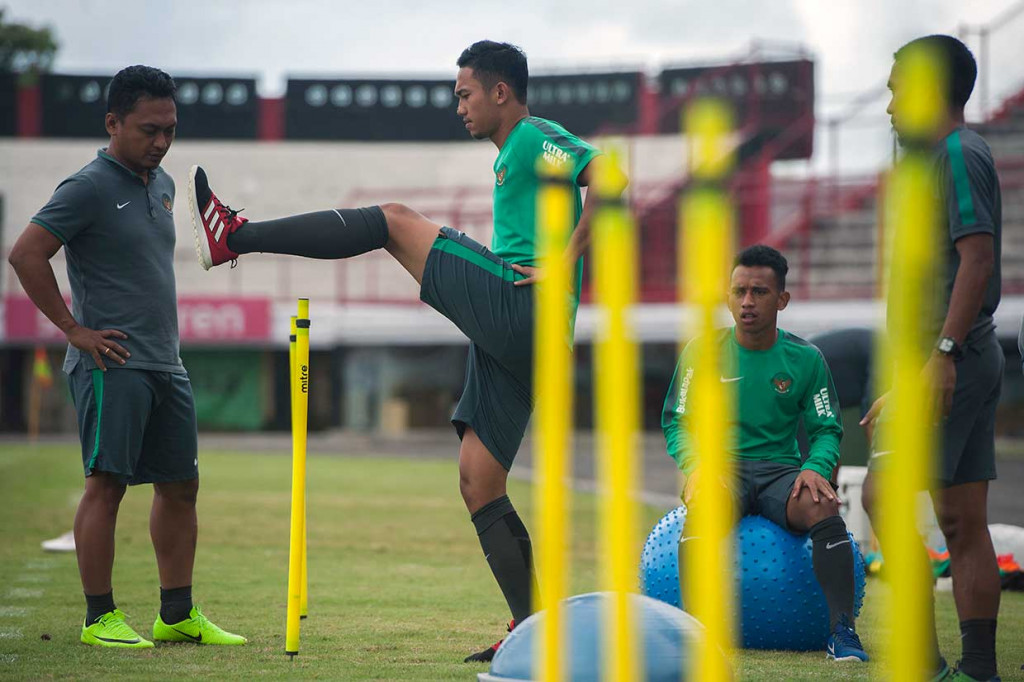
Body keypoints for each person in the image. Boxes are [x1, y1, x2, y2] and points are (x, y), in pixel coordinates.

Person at [187, 41, 625, 662]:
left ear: (501, 93)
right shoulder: (514, 156)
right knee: (479, 479)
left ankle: (235, 236)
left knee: (392, 219)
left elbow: (611, 178)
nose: (458, 107)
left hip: (526, 310)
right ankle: (534, 632)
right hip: (524, 337)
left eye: (464, 94)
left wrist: (566, 260)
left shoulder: (532, 137)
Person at [8, 65, 245, 649]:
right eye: (148, 130)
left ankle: (177, 614)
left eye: (169, 129)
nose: (161, 142)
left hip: (167, 361)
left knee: (181, 486)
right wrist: (74, 330)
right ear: (112, 123)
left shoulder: (162, 185)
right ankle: (99, 618)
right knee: (107, 485)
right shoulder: (87, 186)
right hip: (112, 363)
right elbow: (26, 254)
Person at [860, 35, 1003, 682]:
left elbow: (977, 257)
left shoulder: (956, 154)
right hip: (952, 358)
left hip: (951, 359)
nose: (890, 102)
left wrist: (940, 355)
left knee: (882, 496)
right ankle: (978, 671)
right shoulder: (933, 159)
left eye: (896, 87)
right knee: (962, 520)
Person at [663, 245, 868, 663]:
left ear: (782, 300)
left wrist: (815, 467)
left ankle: (842, 633)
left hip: (782, 474)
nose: (747, 302)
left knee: (822, 504)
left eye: (759, 292)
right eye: (738, 291)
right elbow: (676, 421)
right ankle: (698, 632)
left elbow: (827, 429)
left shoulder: (807, 360)